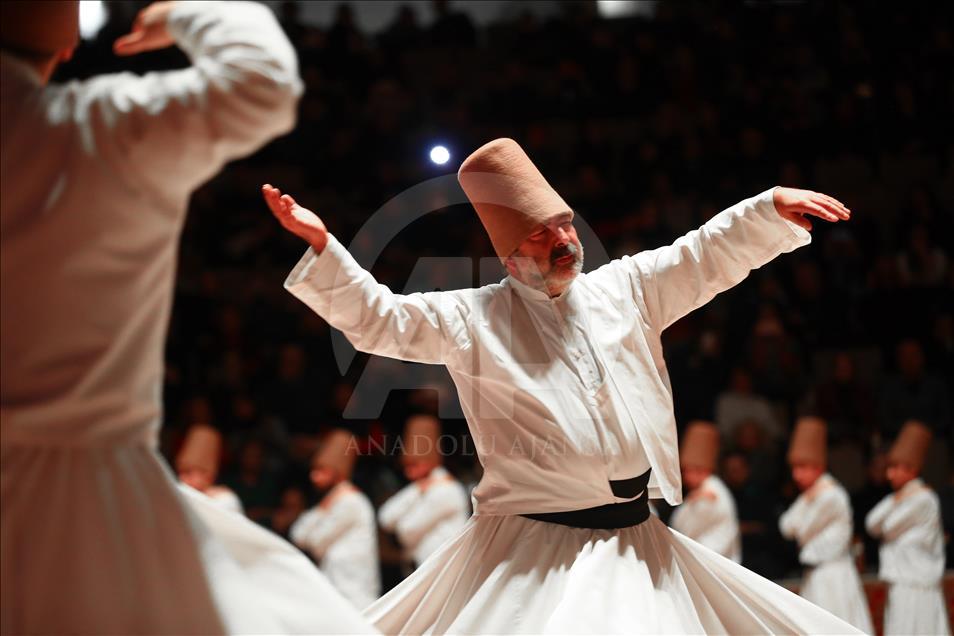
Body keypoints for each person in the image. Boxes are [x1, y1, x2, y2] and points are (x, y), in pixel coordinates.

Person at [265, 137, 858, 633]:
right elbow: (380, 320)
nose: (563, 240)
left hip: (637, 536)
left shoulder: (625, 289)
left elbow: (699, 257)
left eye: (564, 223)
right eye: (542, 234)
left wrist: (766, 209)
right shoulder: (471, 318)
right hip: (532, 549)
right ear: (509, 257)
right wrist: (323, 248)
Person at [1, 2, 374, 633]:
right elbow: (261, 82)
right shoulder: (96, 129)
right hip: (84, 496)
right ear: (66, 48)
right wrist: (181, 14)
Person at [778, 417, 873, 633]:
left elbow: (802, 530)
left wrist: (805, 504)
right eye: (794, 468)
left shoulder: (831, 495)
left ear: (818, 467)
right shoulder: (811, 495)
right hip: (816, 574)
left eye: (802, 468)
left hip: (834, 575)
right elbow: (785, 527)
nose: (796, 475)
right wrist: (805, 501)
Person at [865, 420, 950, 635]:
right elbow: (872, 524)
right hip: (901, 580)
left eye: (895, 468)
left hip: (918, 581)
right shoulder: (900, 497)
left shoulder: (923, 498)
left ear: (912, 469)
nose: (889, 475)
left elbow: (889, 527)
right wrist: (896, 499)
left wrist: (898, 500)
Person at [291, 428, 381, 610]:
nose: (314, 476)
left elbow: (316, 543)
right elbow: (298, 535)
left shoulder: (351, 501)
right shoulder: (331, 500)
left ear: (337, 472)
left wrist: (321, 510)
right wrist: (322, 508)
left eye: (321, 470)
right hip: (336, 588)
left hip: (354, 592)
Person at [378, 415, 470, 567]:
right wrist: (416, 490)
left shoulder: (446, 489)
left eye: (414, 464)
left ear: (429, 461)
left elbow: (407, 531)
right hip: (422, 566)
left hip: (442, 567)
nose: (408, 472)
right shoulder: (419, 487)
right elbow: (385, 518)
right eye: (406, 465)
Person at [669, 421, 742, 562]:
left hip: (710, 559)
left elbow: (682, 528)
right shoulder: (704, 490)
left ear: (701, 470)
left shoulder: (711, 493)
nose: (684, 476)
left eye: (687, 471)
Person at [176, 424, 244, 514]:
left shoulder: (225, 500)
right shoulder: (178, 494)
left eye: (188, 473)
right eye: (180, 472)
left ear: (208, 475)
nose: (182, 478)